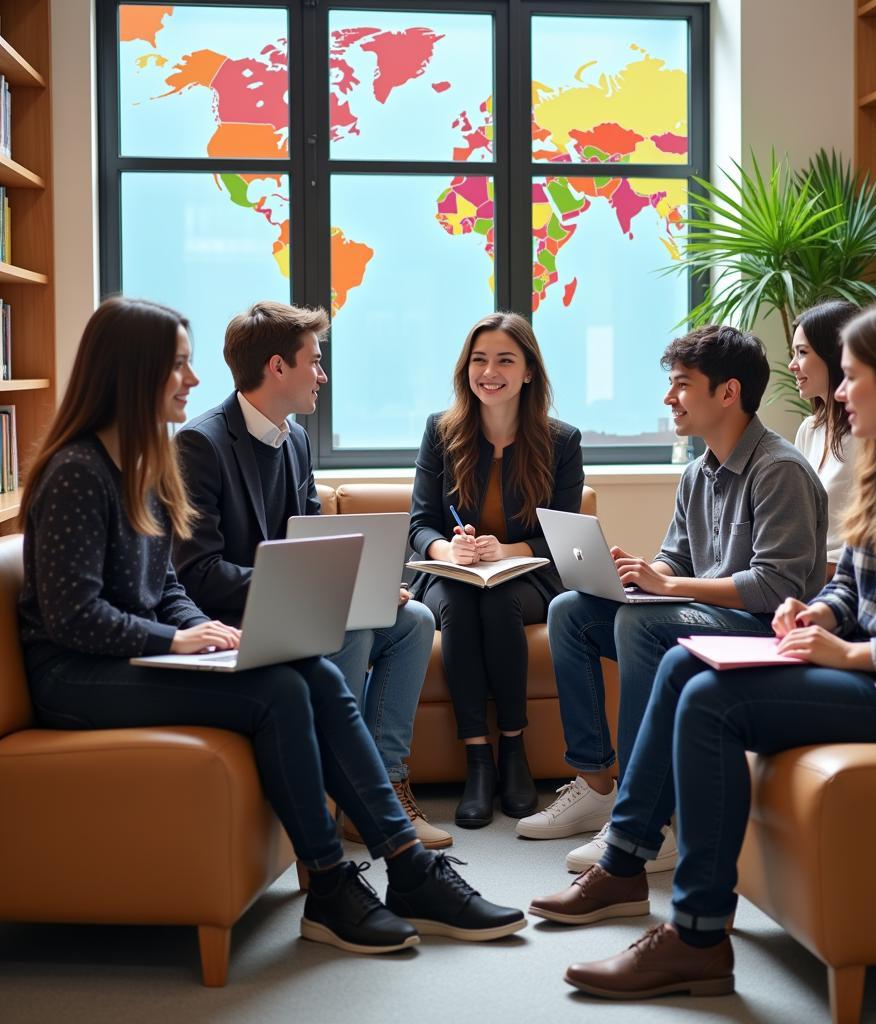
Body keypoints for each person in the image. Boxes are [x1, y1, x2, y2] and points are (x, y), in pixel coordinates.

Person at [530, 295, 876, 999]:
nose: (839, 393)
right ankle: (628, 864)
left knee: (708, 702)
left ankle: (695, 934)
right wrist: (813, 610)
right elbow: (850, 590)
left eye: (850, 376)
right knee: (681, 668)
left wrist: (851, 655)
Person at [18, 297, 524, 955]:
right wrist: (174, 639)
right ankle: (331, 885)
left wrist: (199, 628)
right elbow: (72, 616)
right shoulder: (78, 472)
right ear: (133, 372)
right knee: (282, 689)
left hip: (135, 657)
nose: (194, 379)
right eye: (178, 365)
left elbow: (166, 584)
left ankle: (407, 867)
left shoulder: (140, 465)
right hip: (77, 676)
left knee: (308, 672)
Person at [516, 325, 828, 873]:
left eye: (682, 385)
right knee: (569, 612)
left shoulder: (779, 470)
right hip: (707, 613)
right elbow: (676, 560)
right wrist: (641, 574)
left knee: (644, 626)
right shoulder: (695, 473)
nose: (668, 398)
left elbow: (777, 587)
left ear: (728, 392)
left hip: (760, 631)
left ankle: (648, 821)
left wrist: (669, 588)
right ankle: (596, 786)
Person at [170, 301, 449, 849]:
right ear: (277, 367)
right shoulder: (200, 445)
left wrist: (362, 583)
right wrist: (322, 592)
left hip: (301, 603)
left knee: (412, 619)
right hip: (239, 619)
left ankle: (384, 785)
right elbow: (198, 573)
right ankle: (341, 788)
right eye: (314, 362)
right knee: (350, 625)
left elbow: (315, 539)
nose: (321, 375)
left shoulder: (294, 438)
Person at [409, 311, 584, 829]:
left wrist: (505, 550)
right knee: (464, 603)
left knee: (499, 601)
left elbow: (560, 534)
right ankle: (478, 760)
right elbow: (420, 523)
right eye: (479, 360)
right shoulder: (440, 432)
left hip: (527, 575)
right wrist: (449, 551)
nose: (490, 371)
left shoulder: (561, 441)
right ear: (467, 369)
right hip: (450, 575)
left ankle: (514, 749)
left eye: (505, 359)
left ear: (528, 370)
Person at [788, 299, 860, 576]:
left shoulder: (870, 435)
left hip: (840, 577)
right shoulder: (809, 429)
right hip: (805, 574)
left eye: (802, 353)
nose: (793, 365)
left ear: (835, 355)